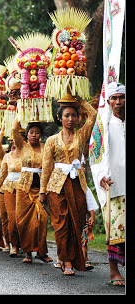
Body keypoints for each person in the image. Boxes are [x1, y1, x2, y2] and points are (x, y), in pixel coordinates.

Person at [39, 93, 97, 275]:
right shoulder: (51, 141)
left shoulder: (82, 135)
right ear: (59, 118)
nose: (71, 119)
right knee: (61, 224)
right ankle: (66, 261)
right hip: (57, 186)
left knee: (76, 223)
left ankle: (73, 258)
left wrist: (78, 98)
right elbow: (46, 167)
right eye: (66, 115)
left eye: (74, 115)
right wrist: (42, 191)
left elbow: (93, 114)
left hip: (77, 184)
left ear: (78, 117)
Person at [90, 82, 125, 286]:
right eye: (114, 98)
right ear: (109, 101)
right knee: (115, 230)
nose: (119, 102)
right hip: (113, 185)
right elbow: (94, 153)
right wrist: (101, 175)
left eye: (122, 97)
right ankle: (114, 273)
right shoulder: (102, 124)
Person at [12, 117, 52, 263]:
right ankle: (28, 252)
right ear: (27, 135)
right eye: (31, 132)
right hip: (23, 188)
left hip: (40, 188)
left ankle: (42, 252)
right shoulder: (21, 146)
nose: (34, 135)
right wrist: (20, 111)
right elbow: (14, 129)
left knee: (42, 218)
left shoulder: (45, 147)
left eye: (37, 132)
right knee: (23, 221)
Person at [0, 141, 22, 256]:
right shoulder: (7, 156)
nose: (17, 146)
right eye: (13, 145)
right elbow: (2, 175)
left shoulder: (29, 154)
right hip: (9, 189)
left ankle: (24, 246)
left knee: (23, 219)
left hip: (25, 188)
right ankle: (13, 244)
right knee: (11, 219)